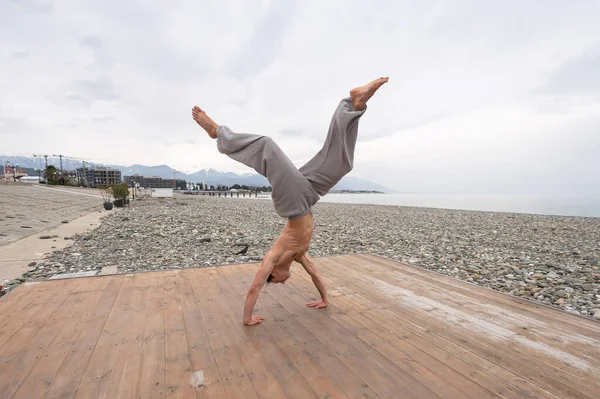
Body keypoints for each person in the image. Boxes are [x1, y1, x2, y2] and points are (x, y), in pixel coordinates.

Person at [191, 77, 389, 325]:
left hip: (292, 202)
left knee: (267, 146)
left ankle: (217, 131)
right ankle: (353, 105)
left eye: (280, 280)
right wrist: (325, 299)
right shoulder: (298, 256)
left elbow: (254, 288)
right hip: (309, 195)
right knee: (342, 163)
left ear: (273, 273)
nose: (285, 281)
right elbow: (316, 275)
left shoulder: (273, 258)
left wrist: (247, 318)